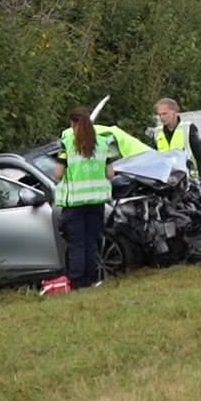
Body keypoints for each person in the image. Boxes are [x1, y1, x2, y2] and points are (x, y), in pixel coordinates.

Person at [52, 107, 114, 289]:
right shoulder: (103, 143)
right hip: (96, 202)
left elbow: (58, 174)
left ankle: (78, 281)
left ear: (73, 124)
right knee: (92, 242)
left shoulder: (67, 144)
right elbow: (110, 173)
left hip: (75, 204)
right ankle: (93, 278)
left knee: (77, 244)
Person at [151, 97, 201, 181]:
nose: (162, 117)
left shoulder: (188, 128)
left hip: (189, 180)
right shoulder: (157, 132)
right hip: (167, 180)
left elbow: (199, 157)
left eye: (164, 114)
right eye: (160, 115)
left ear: (175, 112)